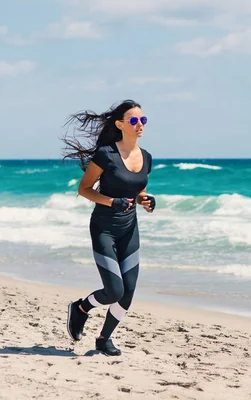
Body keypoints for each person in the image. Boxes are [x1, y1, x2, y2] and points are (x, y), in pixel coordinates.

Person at [60, 99, 155, 356]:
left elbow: (138, 190)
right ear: (120, 124)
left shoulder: (146, 157)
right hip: (104, 228)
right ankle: (81, 308)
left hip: (129, 229)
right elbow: (84, 189)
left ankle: (104, 339)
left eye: (143, 120)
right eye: (134, 120)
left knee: (128, 291)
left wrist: (144, 199)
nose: (140, 125)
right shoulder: (107, 154)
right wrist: (111, 201)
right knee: (114, 289)